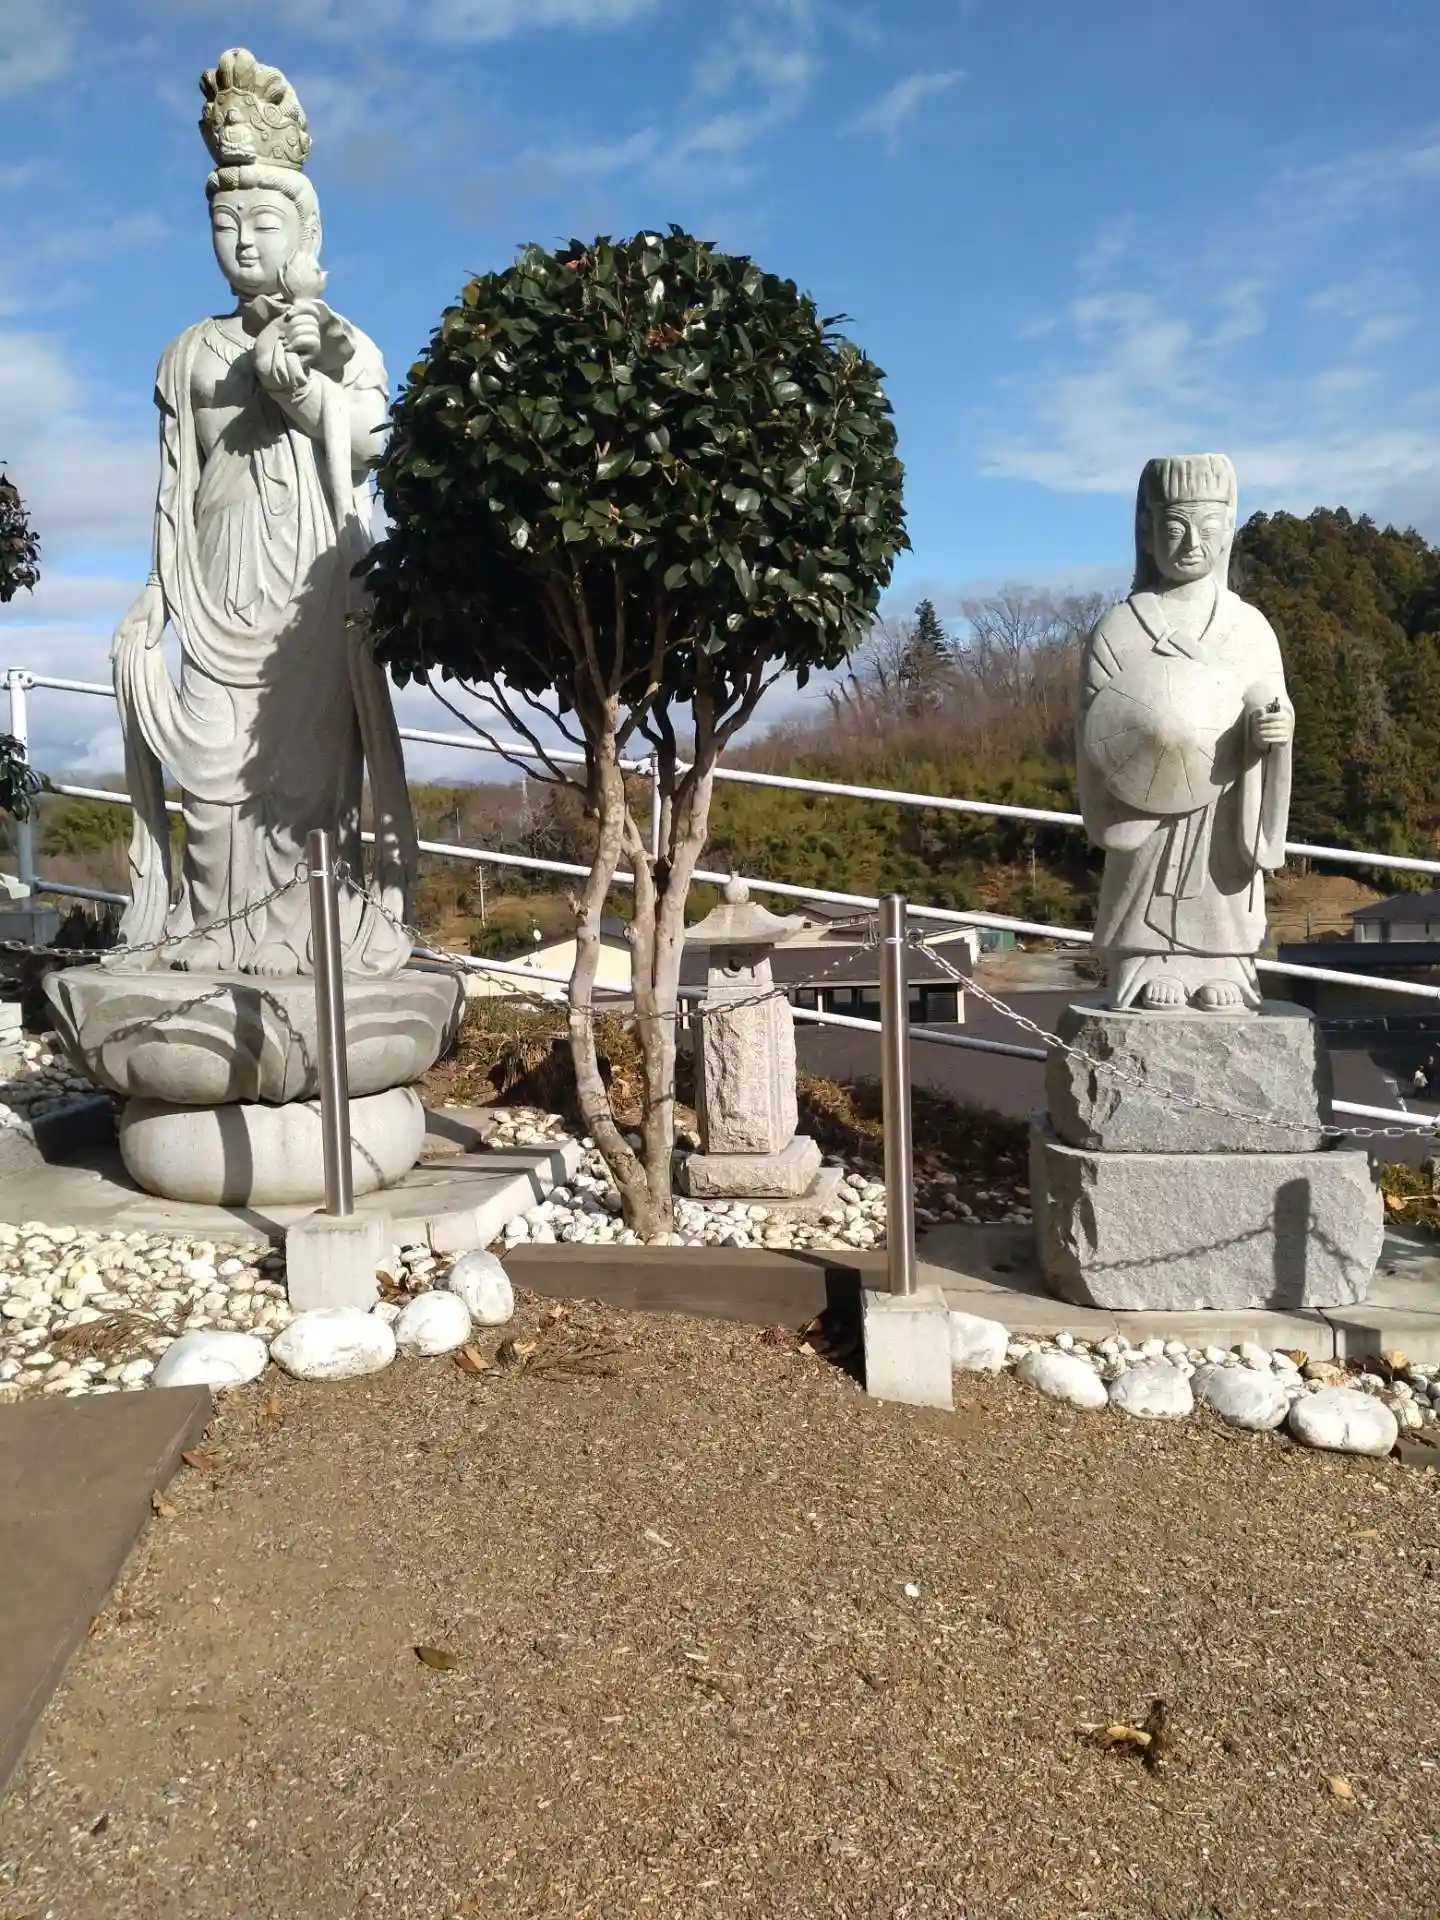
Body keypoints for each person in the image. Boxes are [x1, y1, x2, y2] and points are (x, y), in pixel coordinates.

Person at [109, 48, 416, 976]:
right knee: (210, 778)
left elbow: (371, 445)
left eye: (264, 223)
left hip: (311, 576)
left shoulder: (340, 339)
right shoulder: (188, 354)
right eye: (225, 224)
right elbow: (174, 485)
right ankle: (210, 930)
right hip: (213, 574)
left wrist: (304, 389)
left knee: (305, 772)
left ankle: (300, 939)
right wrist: (155, 592)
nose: (243, 243)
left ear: (305, 230)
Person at [1077, 454, 1294, 1011]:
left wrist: (1274, 728)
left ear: (1229, 531)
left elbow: (1272, 699)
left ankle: (1226, 964)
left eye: (1208, 526)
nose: (1192, 542)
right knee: (1144, 860)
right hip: (1146, 800)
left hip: (1227, 788)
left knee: (1224, 876)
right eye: (1175, 527)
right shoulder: (1120, 628)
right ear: (1147, 533)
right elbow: (1098, 733)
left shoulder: (1248, 626)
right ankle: (1146, 961)